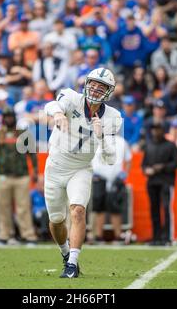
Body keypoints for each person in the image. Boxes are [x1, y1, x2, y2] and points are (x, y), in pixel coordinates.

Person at [43, 67, 122, 278]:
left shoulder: (113, 117)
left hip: (80, 169)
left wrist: (102, 136)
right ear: (86, 83)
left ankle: (72, 264)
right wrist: (59, 114)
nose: (95, 89)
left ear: (109, 91)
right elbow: (50, 104)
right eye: (93, 84)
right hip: (55, 166)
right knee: (56, 220)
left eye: (101, 86)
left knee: (78, 210)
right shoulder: (71, 97)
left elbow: (110, 158)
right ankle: (65, 253)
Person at [0, 107, 38, 246]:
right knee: (3, 207)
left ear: (14, 117)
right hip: (2, 176)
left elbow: (32, 154)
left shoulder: (24, 134)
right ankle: (4, 235)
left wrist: (35, 172)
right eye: (5, 116)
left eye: (10, 116)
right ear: (3, 118)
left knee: (23, 207)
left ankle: (28, 236)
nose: (8, 119)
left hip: (22, 176)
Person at [142, 122, 177, 246]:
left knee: (166, 209)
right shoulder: (149, 146)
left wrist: (162, 167)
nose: (155, 132)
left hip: (166, 181)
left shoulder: (170, 146)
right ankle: (156, 237)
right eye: (153, 129)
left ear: (163, 130)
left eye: (158, 129)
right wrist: (146, 170)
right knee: (154, 209)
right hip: (152, 182)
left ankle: (167, 237)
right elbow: (144, 164)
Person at [91, 134, 132, 244]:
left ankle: (118, 236)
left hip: (115, 179)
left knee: (115, 208)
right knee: (99, 209)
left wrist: (124, 174)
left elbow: (128, 159)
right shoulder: (95, 139)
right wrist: (91, 172)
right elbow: (89, 157)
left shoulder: (121, 141)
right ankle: (98, 236)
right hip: (99, 177)